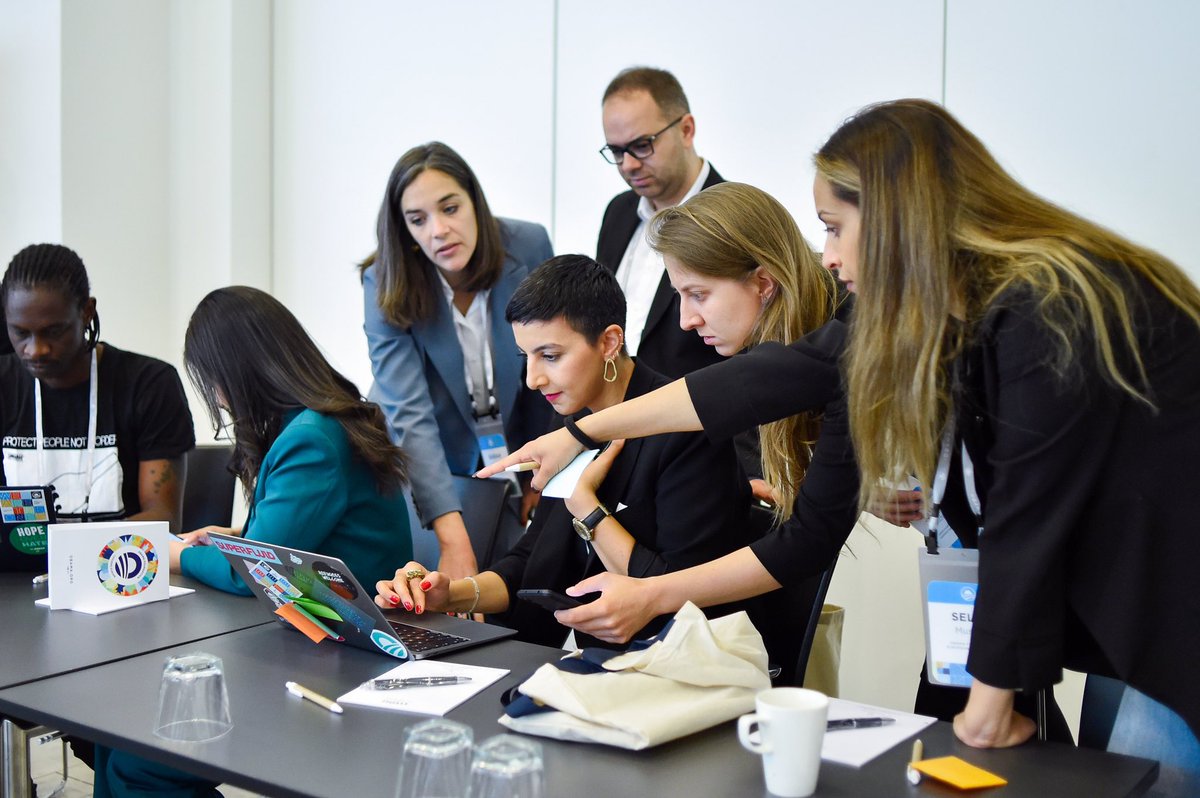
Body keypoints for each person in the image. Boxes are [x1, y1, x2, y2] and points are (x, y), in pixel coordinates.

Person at [813, 99, 1200, 779]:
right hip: (1145, 603)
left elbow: (1029, 510)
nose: (829, 256)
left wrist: (988, 703)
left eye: (835, 228)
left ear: (898, 217)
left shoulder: (1052, 302)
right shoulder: (984, 314)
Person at [476, 192, 860, 648]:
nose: (684, 320)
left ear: (763, 283)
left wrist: (580, 440)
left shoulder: (844, 343)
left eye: (698, 294)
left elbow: (726, 394)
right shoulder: (801, 365)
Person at [95, 286, 414, 798]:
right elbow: (292, 542)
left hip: (340, 649)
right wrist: (237, 537)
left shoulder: (311, 438)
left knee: (141, 760)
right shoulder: (318, 422)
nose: (217, 395)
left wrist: (176, 552)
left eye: (214, 380)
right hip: (316, 631)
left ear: (238, 371)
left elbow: (254, 575)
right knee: (114, 738)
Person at [376, 255, 754, 650]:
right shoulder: (569, 420)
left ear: (609, 341)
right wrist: (448, 594)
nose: (533, 380)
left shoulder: (685, 433)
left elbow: (677, 597)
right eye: (527, 357)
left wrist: (586, 508)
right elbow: (531, 565)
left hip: (677, 665)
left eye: (551, 356)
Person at [362, 142, 554, 580]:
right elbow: (410, 415)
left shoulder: (528, 245)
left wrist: (544, 468)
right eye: (418, 220)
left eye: (450, 208)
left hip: (514, 445)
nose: (438, 231)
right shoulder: (383, 280)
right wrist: (452, 539)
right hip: (427, 459)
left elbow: (553, 358)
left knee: (513, 581)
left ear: (474, 200)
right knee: (441, 581)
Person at [1, 243, 194, 546]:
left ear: (87, 312)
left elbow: (163, 519)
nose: (35, 349)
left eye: (54, 331)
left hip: (119, 572)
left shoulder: (149, 383)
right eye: (20, 332)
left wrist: (69, 548)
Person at [596, 66, 724, 380]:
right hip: (615, 419)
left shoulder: (731, 219)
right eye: (616, 151)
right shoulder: (618, 212)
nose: (629, 164)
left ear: (686, 130)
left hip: (699, 421)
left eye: (642, 145)